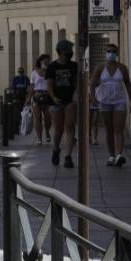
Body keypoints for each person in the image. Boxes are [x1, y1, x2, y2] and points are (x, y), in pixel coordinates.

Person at [91, 43, 131, 167]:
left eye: (114, 51)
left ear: (117, 54)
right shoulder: (100, 68)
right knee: (109, 129)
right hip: (104, 102)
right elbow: (92, 83)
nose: (111, 53)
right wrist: (93, 98)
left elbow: (128, 84)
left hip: (119, 101)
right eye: (109, 51)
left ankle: (119, 155)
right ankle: (111, 155)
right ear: (106, 53)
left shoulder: (122, 68)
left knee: (118, 129)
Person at [46, 40, 79, 168]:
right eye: (67, 52)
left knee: (70, 127)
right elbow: (49, 84)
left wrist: (76, 94)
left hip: (69, 100)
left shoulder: (74, 66)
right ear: (60, 52)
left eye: (71, 51)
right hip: (56, 101)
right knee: (58, 130)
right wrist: (53, 97)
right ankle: (56, 149)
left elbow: (77, 82)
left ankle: (68, 156)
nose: (70, 54)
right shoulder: (52, 67)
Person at [28, 55, 52, 144]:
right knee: (37, 118)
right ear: (40, 61)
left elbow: (52, 84)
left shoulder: (50, 72)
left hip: (47, 96)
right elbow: (32, 86)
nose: (47, 62)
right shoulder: (34, 73)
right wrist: (28, 98)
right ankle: (39, 138)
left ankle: (47, 132)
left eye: (48, 61)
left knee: (48, 118)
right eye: (45, 61)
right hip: (36, 96)